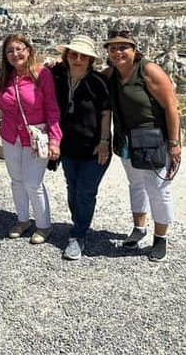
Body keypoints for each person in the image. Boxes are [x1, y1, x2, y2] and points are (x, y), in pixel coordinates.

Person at [104, 27, 181, 263]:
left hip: (152, 140)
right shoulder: (111, 74)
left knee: (158, 189)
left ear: (134, 49)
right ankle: (139, 228)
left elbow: (171, 106)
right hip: (127, 140)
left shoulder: (149, 71)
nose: (118, 52)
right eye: (113, 48)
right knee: (135, 184)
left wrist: (174, 143)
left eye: (123, 47)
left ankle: (160, 238)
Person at [0, 34, 61, 245]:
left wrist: (55, 140)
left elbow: (52, 108)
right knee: (17, 180)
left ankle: (43, 225)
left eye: (19, 49)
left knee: (33, 182)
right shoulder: (4, 77)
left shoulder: (42, 75)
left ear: (28, 50)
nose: (15, 54)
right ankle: (22, 220)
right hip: (12, 136)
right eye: (10, 51)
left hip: (36, 136)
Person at [51, 35, 112, 260]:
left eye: (83, 56)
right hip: (67, 147)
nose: (77, 59)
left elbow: (106, 114)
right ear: (66, 56)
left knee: (85, 192)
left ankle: (78, 235)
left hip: (94, 147)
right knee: (72, 189)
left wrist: (104, 142)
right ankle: (80, 225)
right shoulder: (57, 77)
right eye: (73, 54)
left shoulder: (97, 82)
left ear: (90, 60)